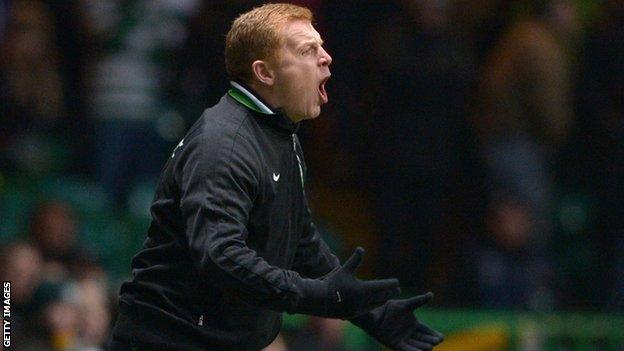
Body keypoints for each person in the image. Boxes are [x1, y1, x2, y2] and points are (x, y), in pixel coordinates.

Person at [108, 4, 444, 351]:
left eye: (322, 46)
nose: (326, 57)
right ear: (264, 73)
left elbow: (300, 243)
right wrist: (316, 297)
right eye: (307, 50)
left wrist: (373, 313)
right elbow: (221, 257)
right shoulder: (224, 145)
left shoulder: (281, 133)